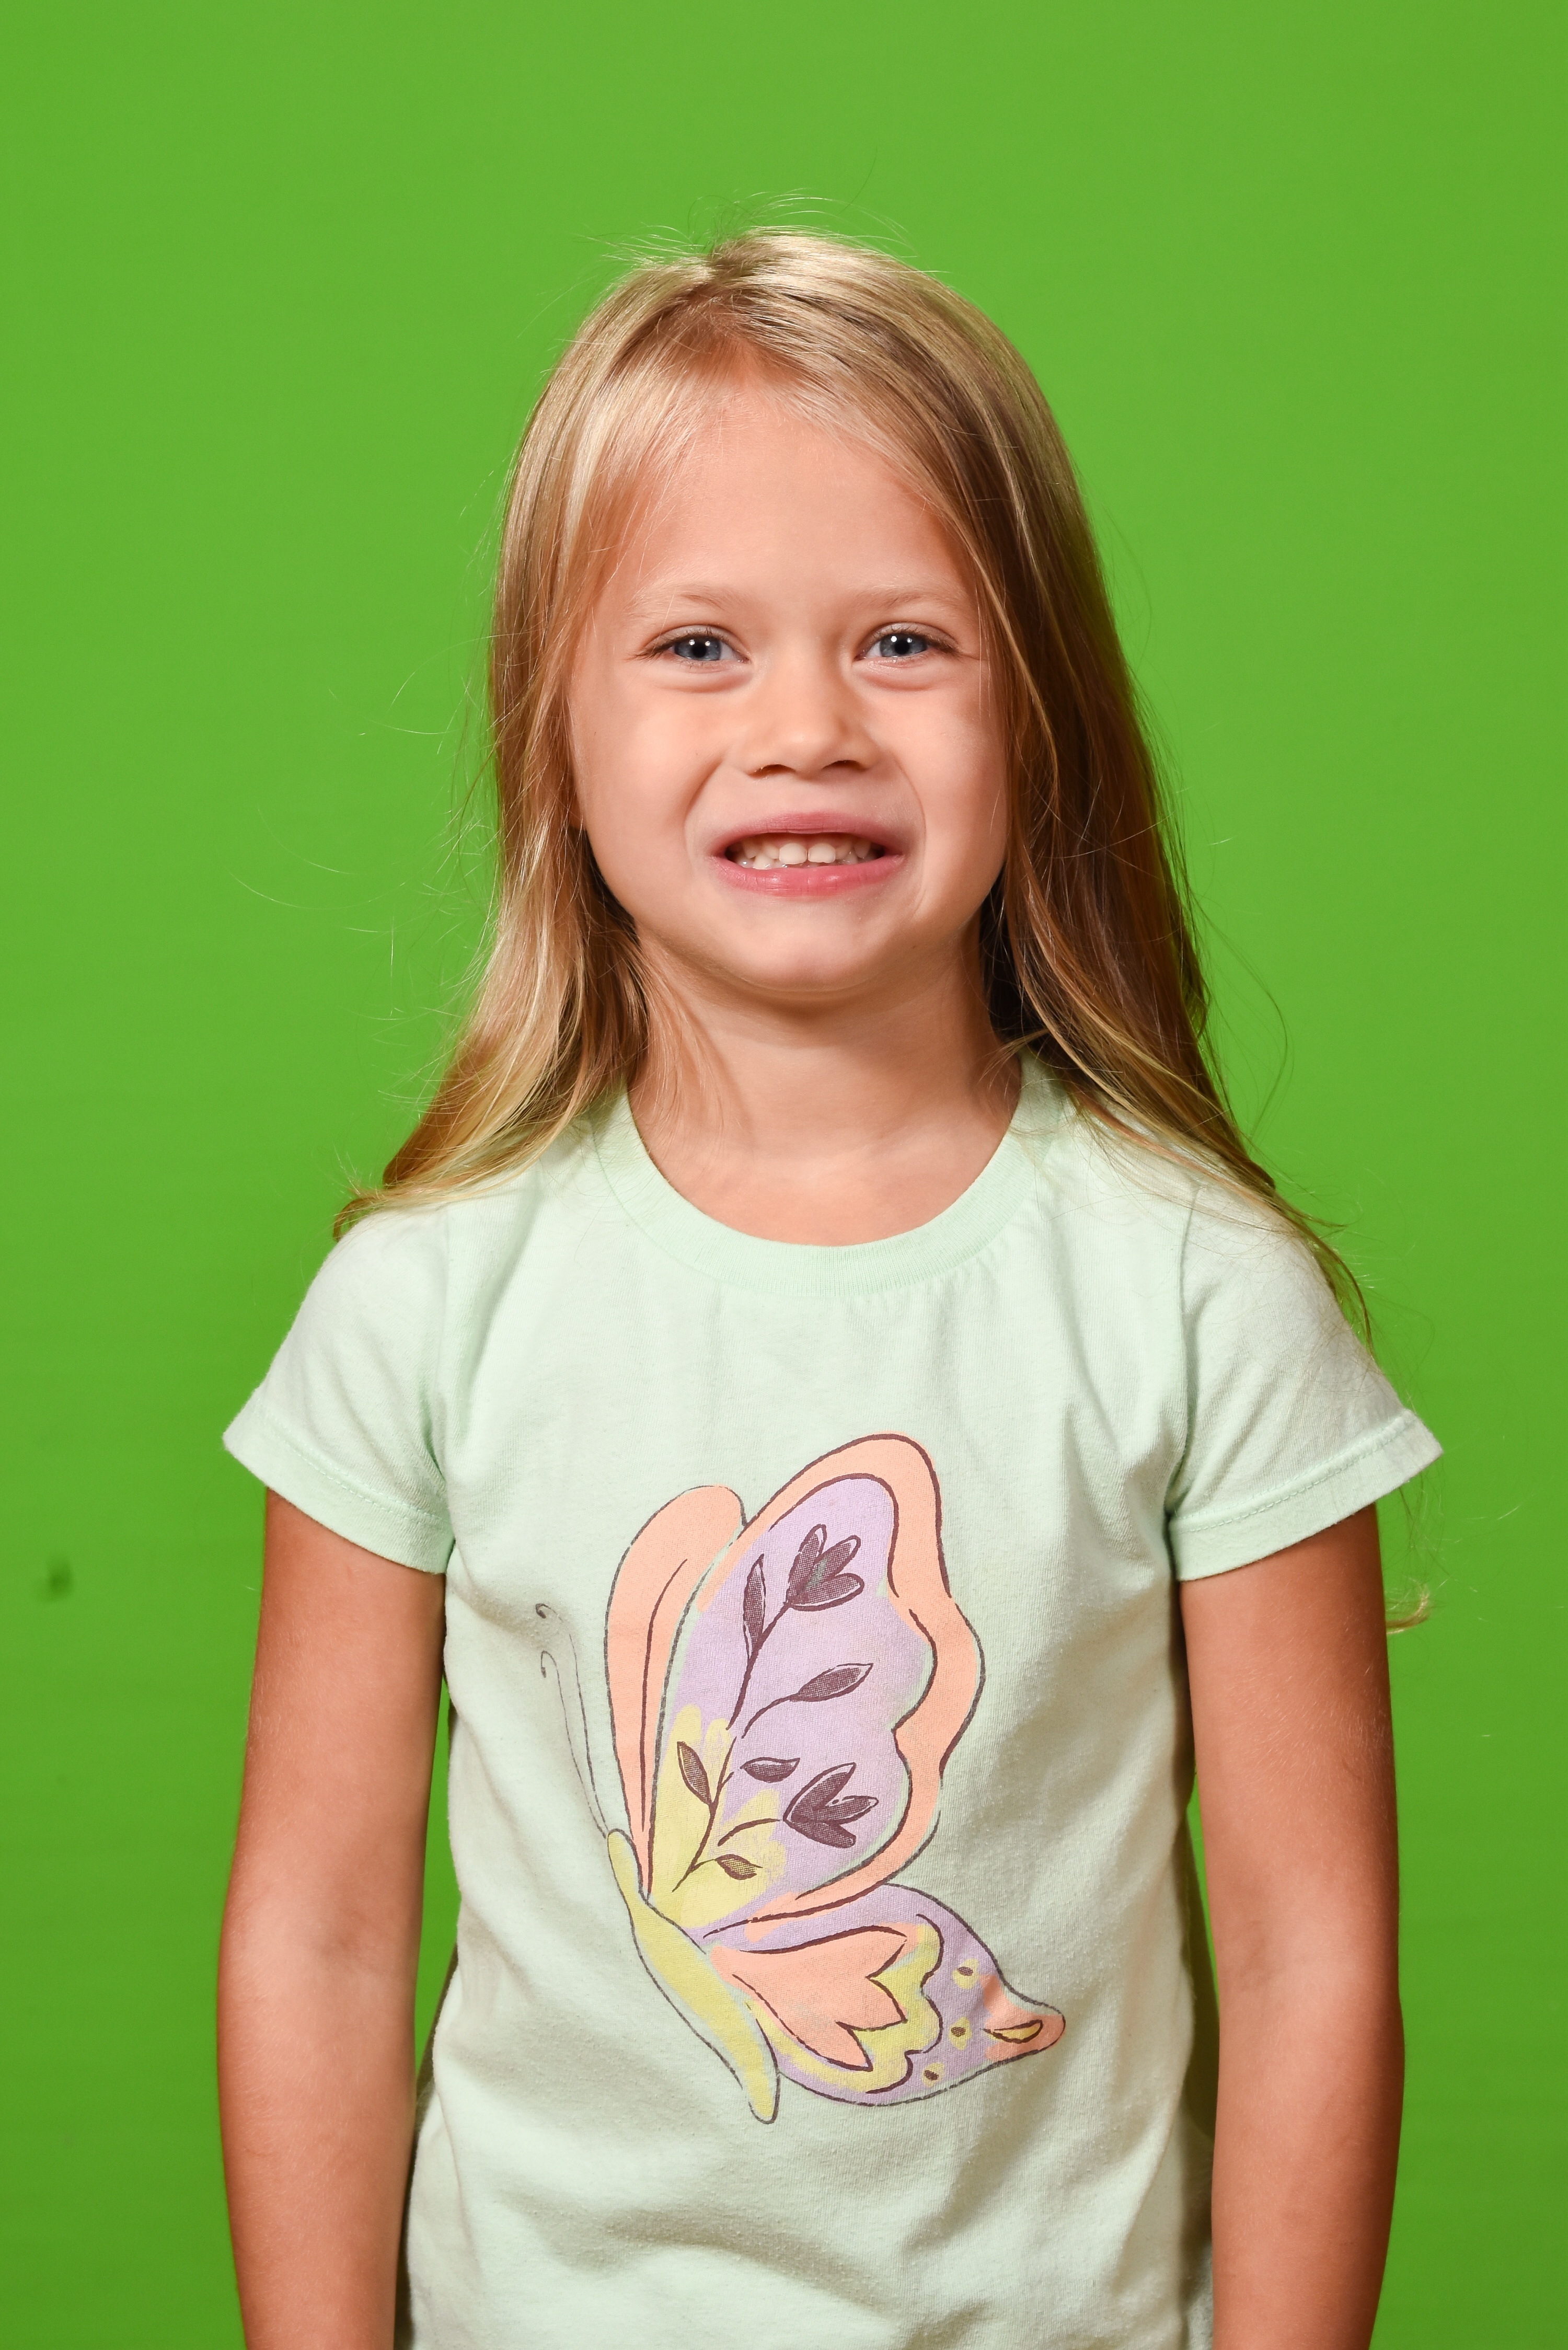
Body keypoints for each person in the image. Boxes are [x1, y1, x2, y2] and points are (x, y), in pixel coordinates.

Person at [217, 231, 1439, 2350]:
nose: (805, 727)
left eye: (905, 640)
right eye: (699, 643)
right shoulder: (425, 1303)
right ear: (552, 731)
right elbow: (317, 1937)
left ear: (1041, 711)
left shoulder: (1199, 1298)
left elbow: (1312, 1950)